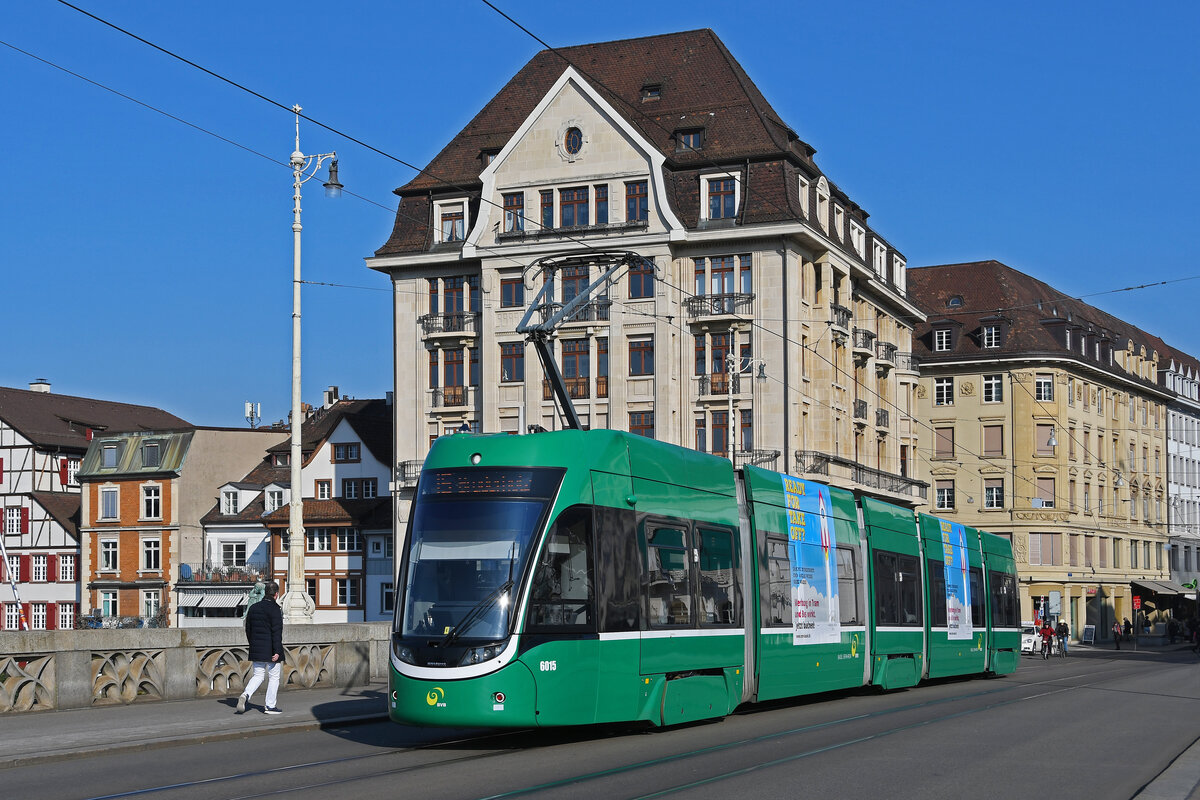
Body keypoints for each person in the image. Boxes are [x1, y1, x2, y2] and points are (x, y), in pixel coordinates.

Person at [236, 580, 284, 715]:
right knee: (274, 677)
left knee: (258, 675)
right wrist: (277, 651)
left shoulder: (254, 608)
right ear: (276, 594)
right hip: (271, 649)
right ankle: (270, 706)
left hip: (257, 647)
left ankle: (246, 695)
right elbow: (277, 632)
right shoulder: (275, 609)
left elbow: (248, 629)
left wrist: (253, 644)